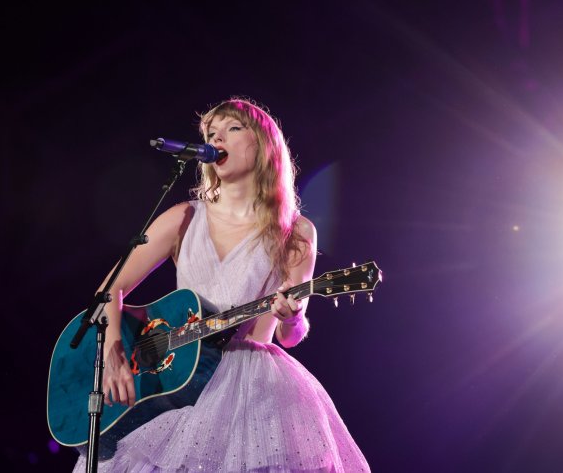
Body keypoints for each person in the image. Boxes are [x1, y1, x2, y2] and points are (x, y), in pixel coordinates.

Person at [73, 98, 370, 472]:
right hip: (174, 381)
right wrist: (112, 355)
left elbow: (291, 335)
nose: (217, 138)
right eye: (211, 133)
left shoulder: (295, 233)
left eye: (232, 128)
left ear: (263, 144)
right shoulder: (183, 218)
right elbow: (108, 292)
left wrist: (291, 317)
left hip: (250, 386)